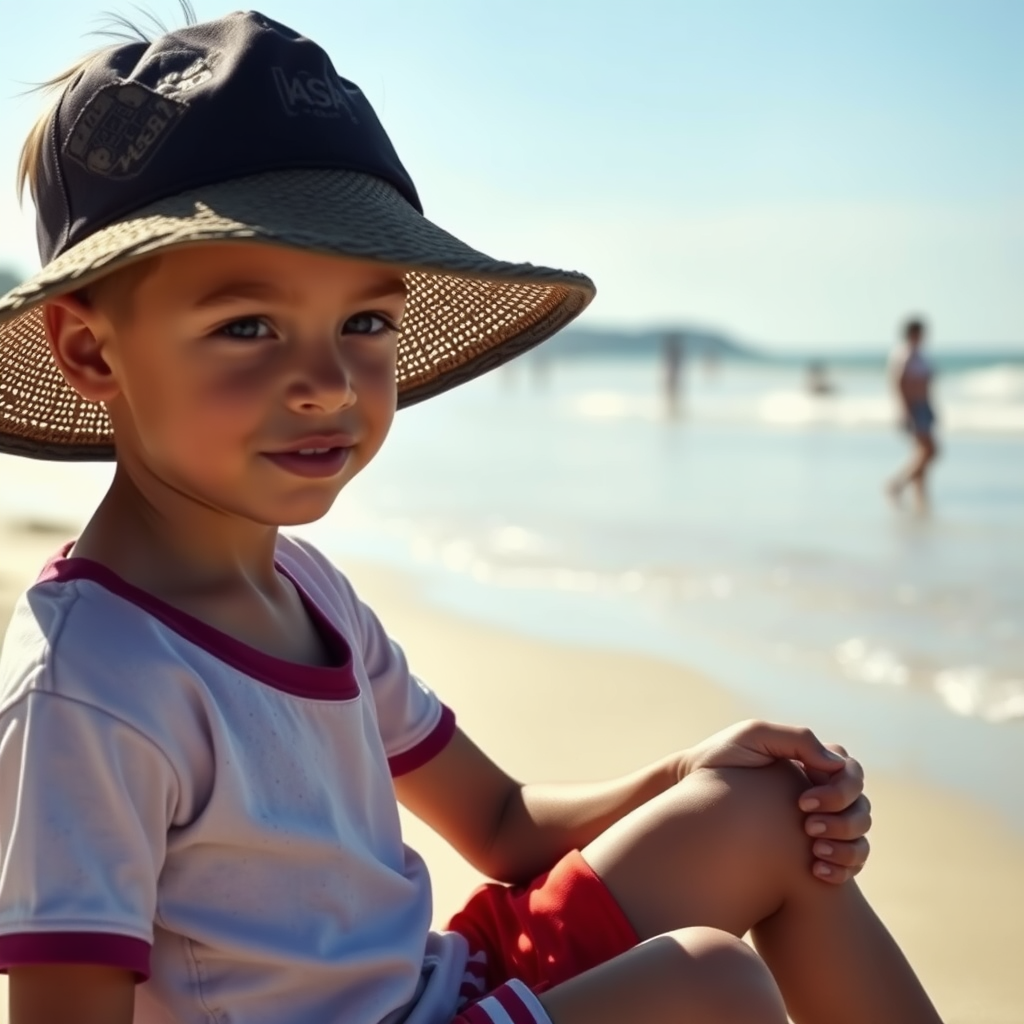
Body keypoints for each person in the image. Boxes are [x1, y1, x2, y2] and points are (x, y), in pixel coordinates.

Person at [0, 12, 944, 1024]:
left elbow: (497, 820)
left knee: (766, 813)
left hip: (428, 988)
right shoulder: (93, 685)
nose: (326, 382)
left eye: (365, 322)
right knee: (704, 983)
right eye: (248, 326)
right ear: (93, 354)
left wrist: (681, 770)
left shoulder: (307, 590)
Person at [887, 318, 939, 507]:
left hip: (923, 404)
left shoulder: (919, 354)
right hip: (914, 406)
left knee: (921, 451)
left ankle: (919, 493)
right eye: (920, 332)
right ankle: (897, 484)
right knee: (931, 451)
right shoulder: (905, 353)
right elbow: (897, 382)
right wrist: (904, 409)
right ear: (912, 333)